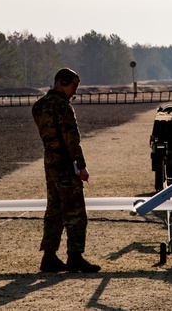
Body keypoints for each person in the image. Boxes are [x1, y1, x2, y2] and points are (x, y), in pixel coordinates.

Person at [32, 67, 101, 273]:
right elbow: (71, 140)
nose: (75, 92)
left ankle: (49, 256)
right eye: (74, 86)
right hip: (65, 162)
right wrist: (81, 166)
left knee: (54, 209)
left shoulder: (39, 106)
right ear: (63, 82)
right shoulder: (63, 107)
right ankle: (75, 256)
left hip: (50, 161)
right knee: (75, 210)